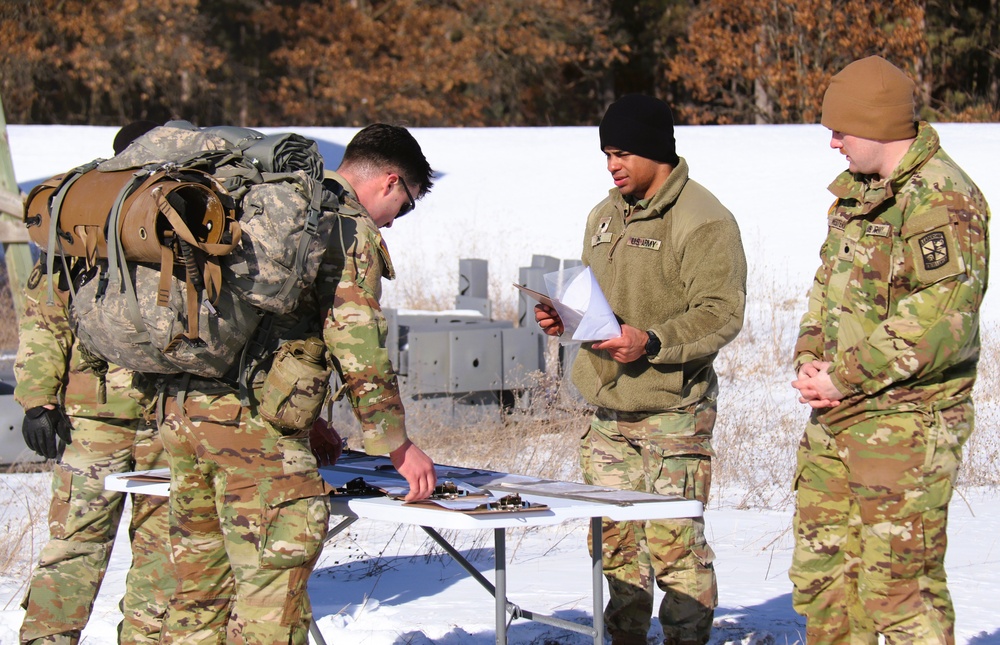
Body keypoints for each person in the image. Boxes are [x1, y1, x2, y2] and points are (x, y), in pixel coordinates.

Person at [157, 123, 437, 644]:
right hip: (256, 443)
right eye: (406, 206)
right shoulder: (347, 227)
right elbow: (359, 344)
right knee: (271, 605)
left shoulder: (272, 205)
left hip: (186, 416)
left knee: (198, 596)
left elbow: (258, 328)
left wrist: (311, 425)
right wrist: (397, 447)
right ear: (390, 182)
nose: (395, 222)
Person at [790, 55, 990, 644]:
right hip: (836, 418)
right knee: (826, 583)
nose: (832, 143)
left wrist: (844, 376)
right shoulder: (858, 195)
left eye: (841, 129)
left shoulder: (943, 199)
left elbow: (939, 317)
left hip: (905, 427)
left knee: (900, 593)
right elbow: (828, 285)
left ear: (876, 125)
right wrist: (809, 357)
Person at [535, 95, 747, 645]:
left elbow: (720, 314)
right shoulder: (603, 217)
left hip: (672, 416)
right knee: (618, 551)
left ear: (657, 152)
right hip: (607, 416)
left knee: (677, 554)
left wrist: (651, 342)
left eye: (623, 152)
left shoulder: (705, 221)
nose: (612, 165)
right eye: (607, 153)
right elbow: (599, 299)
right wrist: (566, 319)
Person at [15, 122, 173, 645]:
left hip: (110, 417)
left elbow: (44, 318)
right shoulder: (102, 219)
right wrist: (36, 399)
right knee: (150, 549)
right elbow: (49, 318)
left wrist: (39, 401)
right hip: (151, 418)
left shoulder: (88, 219)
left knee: (98, 547)